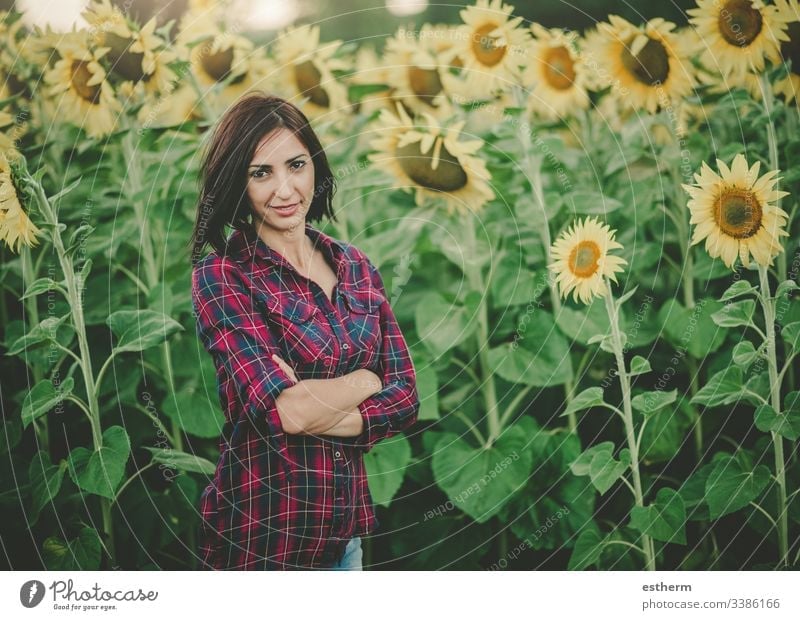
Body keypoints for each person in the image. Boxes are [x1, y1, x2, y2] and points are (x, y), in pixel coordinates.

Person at [188, 93, 419, 570]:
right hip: (263, 543)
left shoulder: (354, 266)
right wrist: (365, 381)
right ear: (237, 183)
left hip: (344, 539)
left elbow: (406, 395)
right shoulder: (223, 277)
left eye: (296, 165)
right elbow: (288, 412)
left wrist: (319, 399)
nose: (285, 189)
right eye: (261, 173)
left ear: (315, 166)